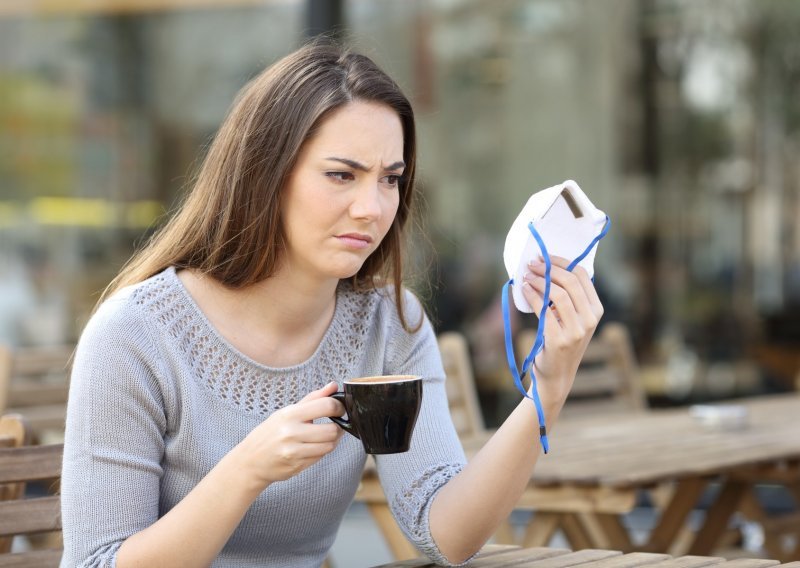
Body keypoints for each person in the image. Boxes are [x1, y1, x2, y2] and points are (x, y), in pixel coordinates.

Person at [60, 41, 603, 568]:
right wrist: (247, 469)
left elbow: (447, 535)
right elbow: (97, 562)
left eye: (390, 179)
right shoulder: (135, 335)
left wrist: (547, 392)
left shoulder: (390, 324)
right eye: (341, 175)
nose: (371, 208)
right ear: (266, 175)